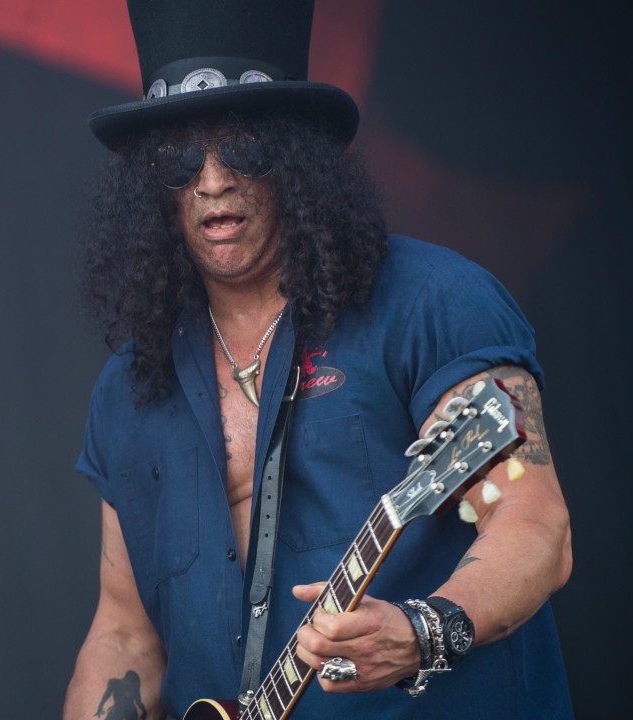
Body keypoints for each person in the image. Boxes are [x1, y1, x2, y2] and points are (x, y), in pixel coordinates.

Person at [63, 1, 573, 718]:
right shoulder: (128, 386)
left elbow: (532, 524)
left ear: (296, 160)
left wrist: (425, 631)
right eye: (180, 160)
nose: (211, 180)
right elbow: (122, 632)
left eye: (244, 150)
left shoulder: (435, 300)